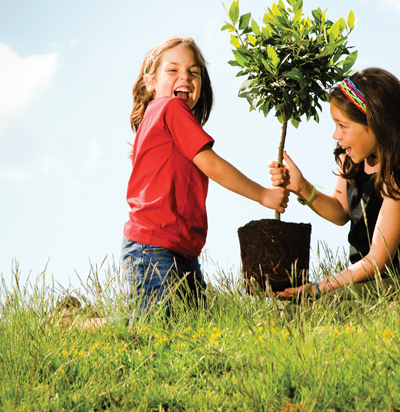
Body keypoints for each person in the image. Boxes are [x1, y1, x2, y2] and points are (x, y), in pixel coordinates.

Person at [121, 36, 289, 316]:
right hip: (155, 246)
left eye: (194, 72)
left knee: (190, 326)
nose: (185, 77)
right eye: (173, 70)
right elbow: (210, 164)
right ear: (151, 82)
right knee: (159, 330)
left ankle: (93, 324)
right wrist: (264, 195)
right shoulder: (169, 108)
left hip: (176, 248)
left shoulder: (156, 118)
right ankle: (86, 325)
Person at [269, 68, 400, 300]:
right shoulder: (351, 159)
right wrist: (302, 187)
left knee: (327, 304)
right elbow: (340, 211)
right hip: (367, 278)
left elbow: (379, 258)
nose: (336, 135)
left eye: (342, 125)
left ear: (376, 124)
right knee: (297, 308)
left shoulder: (396, 175)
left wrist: (319, 287)